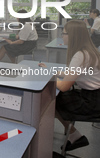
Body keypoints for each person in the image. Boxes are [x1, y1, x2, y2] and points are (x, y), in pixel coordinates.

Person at [39, 20, 100, 151]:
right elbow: (74, 73)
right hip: (95, 97)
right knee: (56, 99)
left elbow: (64, 86)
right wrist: (54, 72)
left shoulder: (80, 55)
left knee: (51, 100)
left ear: (73, 36)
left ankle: (74, 135)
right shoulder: (88, 51)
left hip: (92, 103)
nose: (62, 35)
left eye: (64, 33)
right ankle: (73, 134)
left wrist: (51, 77)